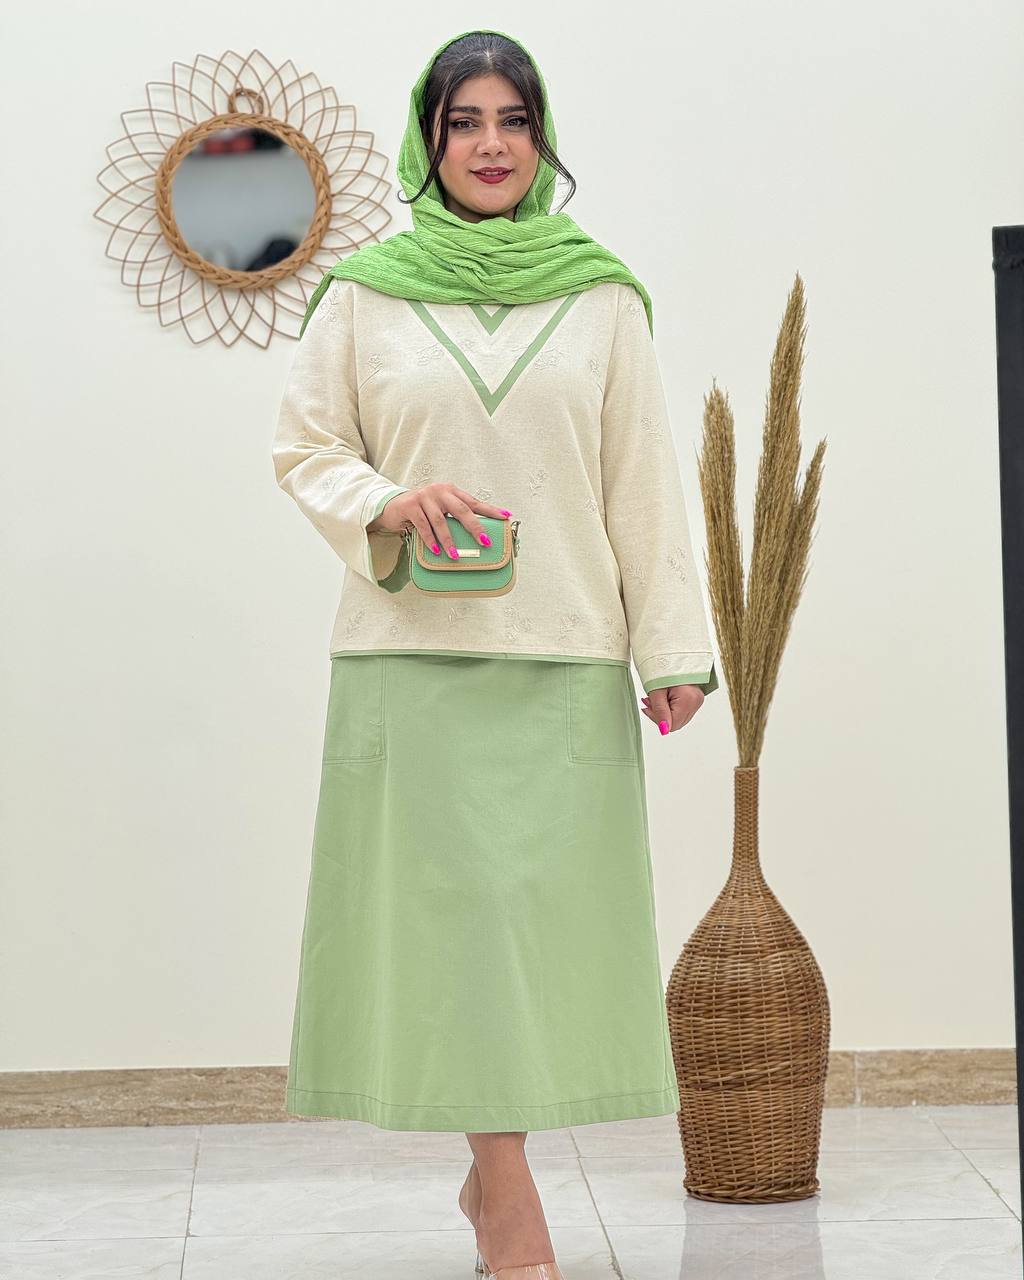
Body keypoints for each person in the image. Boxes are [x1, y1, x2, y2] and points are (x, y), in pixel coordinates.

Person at [272, 28, 719, 1280]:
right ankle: (512, 1201)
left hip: (565, 658)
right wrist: (387, 499)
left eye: (510, 121)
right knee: (456, 936)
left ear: (541, 137)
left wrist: (671, 647)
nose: (488, 145)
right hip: (412, 662)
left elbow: (641, 480)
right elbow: (305, 447)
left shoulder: (602, 299)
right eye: (462, 121)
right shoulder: (363, 294)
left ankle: (490, 1178)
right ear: (428, 139)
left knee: (533, 939)